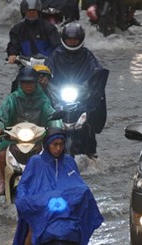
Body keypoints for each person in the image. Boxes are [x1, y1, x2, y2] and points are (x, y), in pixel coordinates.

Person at [4, 126, 102, 245]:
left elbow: (78, 183)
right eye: (54, 144)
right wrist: (23, 199)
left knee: (76, 227)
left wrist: (84, 193)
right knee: (31, 229)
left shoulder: (69, 161)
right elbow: (24, 185)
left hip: (65, 208)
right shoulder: (36, 162)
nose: (58, 148)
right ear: (47, 144)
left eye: (61, 144)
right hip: (41, 207)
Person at [0, 66, 61, 196]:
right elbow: (2, 115)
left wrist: (56, 128)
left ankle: (52, 179)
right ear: (20, 83)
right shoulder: (12, 99)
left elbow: (51, 115)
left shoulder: (43, 100)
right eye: (25, 83)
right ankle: (2, 181)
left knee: (53, 153)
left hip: (37, 138)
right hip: (13, 138)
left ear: (36, 83)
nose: (28, 85)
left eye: (31, 82)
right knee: (1, 153)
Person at [45, 23, 107, 158]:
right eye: (69, 39)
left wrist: (95, 76)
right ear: (64, 39)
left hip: (81, 96)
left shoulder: (87, 55)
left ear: (81, 39)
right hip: (59, 95)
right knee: (47, 116)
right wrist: (45, 76)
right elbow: (48, 68)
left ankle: (91, 151)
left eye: (75, 39)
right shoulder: (57, 54)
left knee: (90, 117)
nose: (72, 41)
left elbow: (96, 68)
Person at [6, 0, 61, 65]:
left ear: (38, 12)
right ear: (24, 12)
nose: (31, 13)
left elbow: (58, 46)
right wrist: (12, 54)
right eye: (29, 11)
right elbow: (13, 45)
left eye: (34, 11)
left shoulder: (49, 27)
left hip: (48, 65)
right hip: (26, 65)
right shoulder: (17, 29)